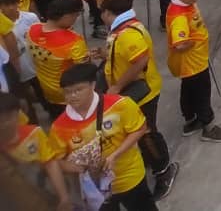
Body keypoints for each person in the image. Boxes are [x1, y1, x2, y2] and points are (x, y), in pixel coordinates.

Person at [97, 0, 178, 201]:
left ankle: (163, 170)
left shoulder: (128, 34)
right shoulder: (121, 30)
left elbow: (139, 61)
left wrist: (117, 86)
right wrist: (105, 55)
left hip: (142, 92)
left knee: (146, 132)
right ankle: (151, 159)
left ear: (108, 12)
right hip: (131, 93)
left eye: (102, 13)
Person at [46, 62, 159, 211]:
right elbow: (56, 161)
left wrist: (115, 155)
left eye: (78, 90)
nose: (72, 96)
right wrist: (77, 167)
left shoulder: (119, 104)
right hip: (95, 190)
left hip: (129, 176)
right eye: (67, 92)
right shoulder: (59, 127)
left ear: (92, 85)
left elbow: (140, 128)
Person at [165, 0, 221, 142]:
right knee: (202, 93)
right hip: (192, 62)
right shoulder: (179, 16)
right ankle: (208, 126)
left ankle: (190, 120)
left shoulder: (187, 5)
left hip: (195, 61)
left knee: (188, 89)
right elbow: (179, 44)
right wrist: (194, 43)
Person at [0, 91, 71, 209]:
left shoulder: (34, 134)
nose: (3, 124)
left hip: (42, 192)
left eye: (8, 118)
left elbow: (51, 164)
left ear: (18, 115)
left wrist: (64, 196)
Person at [26, 0, 88, 118]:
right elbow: (84, 70)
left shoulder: (32, 30)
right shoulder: (73, 41)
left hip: (47, 92)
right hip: (70, 95)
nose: (76, 19)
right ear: (66, 16)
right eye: (75, 15)